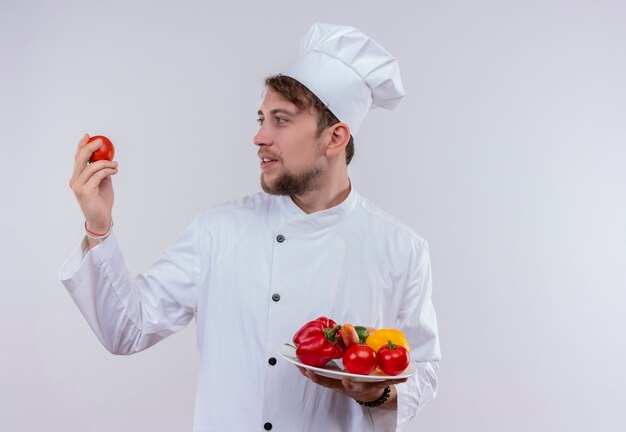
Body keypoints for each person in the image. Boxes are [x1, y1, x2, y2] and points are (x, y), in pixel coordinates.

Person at [59, 22, 440, 431]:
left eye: (280, 120)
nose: (259, 136)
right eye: (261, 118)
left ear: (334, 138)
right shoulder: (217, 232)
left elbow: (425, 370)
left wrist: (380, 393)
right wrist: (99, 228)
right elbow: (126, 330)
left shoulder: (401, 249)